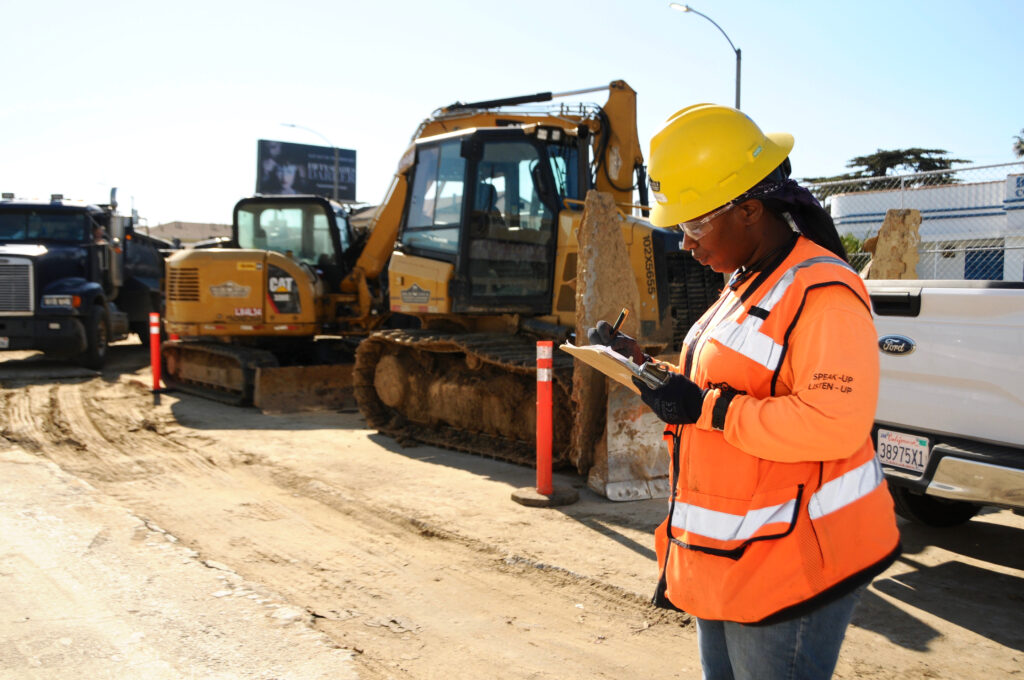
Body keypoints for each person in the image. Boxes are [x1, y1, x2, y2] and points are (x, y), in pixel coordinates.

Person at [588, 104, 901, 680]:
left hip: (794, 557)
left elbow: (834, 424)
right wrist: (645, 364)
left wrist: (705, 408)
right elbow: (733, 380)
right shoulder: (746, 281)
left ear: (751, 210)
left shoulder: (823, 292)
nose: (684, 243)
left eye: (694, 224)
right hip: (733, 553)